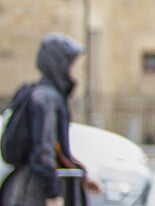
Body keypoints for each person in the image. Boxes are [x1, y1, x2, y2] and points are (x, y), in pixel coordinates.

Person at [0, 33, 100, 206]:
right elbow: (43, 151)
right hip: (33, 191)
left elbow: (56, 151)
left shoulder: (42, 94)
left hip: (25, 186)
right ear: (58, 63)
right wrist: (52, 194)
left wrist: (80, 176)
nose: (72, 70)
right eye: (69, 64)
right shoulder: (46, 98)